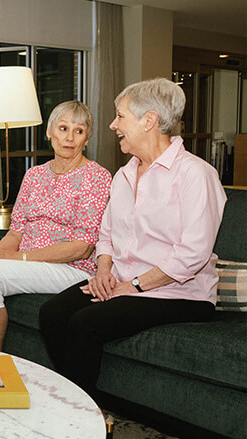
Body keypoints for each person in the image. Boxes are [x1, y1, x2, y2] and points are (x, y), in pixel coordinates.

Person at [39, 79, 226, 401]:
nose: (113, 125)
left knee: (86, 323)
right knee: (53, 312)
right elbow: (107, 234)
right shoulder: (125, 174)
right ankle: (72, 399)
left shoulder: (196, 174)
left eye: (120, 116)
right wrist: (103, 272)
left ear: (148, 120)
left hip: (179, 292)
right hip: (125, 281)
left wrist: (134, 286)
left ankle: (82, 415)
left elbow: (193, 253)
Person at [0, 101, 112, 350]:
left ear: (87, 138)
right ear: (49, 132)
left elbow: (82, 248)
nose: (70, 138)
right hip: (27, 261)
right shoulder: (34, 175)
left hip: (72, 268)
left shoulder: (97, 177)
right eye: (63, 128)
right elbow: (16, 230)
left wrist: (17, 258)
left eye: (79, 131)